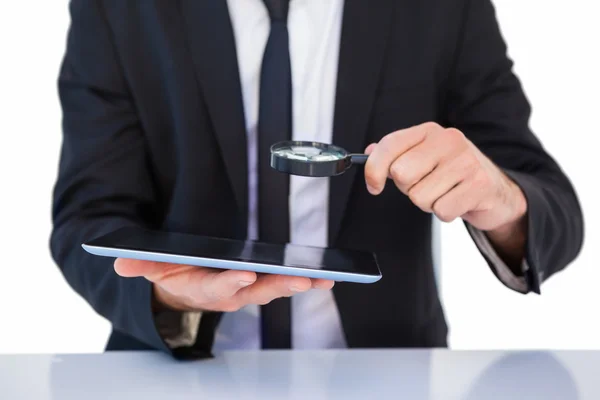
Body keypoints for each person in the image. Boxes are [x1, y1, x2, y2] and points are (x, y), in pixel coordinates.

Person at [51, 0, 583, 359]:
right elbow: (86, 219)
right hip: (182, 368)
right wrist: (170, 298)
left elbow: (556, 214)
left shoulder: (441, 9)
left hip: (385, 371)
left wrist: (499, 198)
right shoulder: (117, 8)